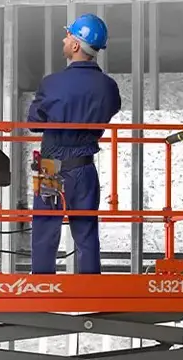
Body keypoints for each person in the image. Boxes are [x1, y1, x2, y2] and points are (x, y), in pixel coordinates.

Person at [26, 13, 122, 275]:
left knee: (45, 228)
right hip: (84, 167)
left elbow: (34, 123)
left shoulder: (52, 83)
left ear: (77, 45)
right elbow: (111, 110)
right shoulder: (109, 87)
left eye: (68, 36)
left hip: (50, 167)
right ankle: (91, 288)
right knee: (86, 231)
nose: (64, 39)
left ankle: (43, 287)